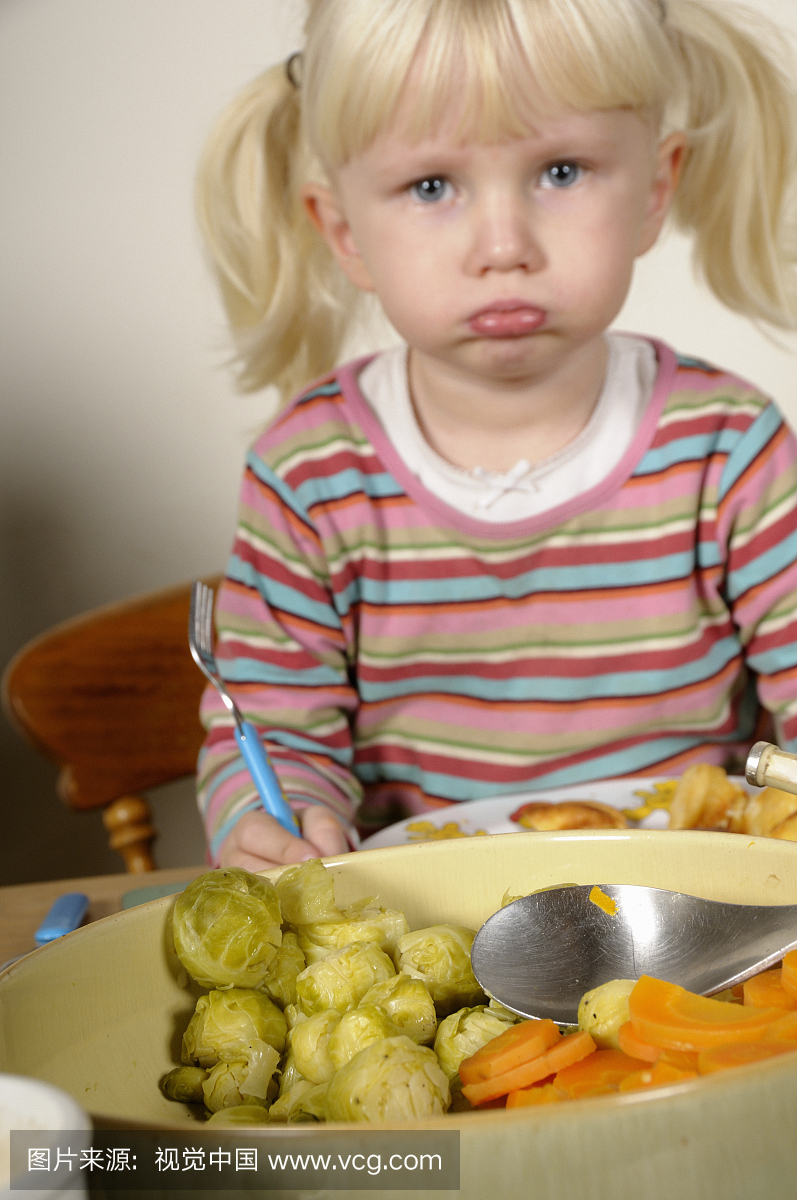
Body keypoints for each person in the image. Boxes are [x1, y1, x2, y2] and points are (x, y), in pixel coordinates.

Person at [195, 0, 797, 872]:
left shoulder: (729, 449)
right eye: (431, 186)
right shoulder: (309, 474)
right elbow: (277, 735)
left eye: (560, 170)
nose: (503, 245)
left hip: (694, 930)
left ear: (654, 190)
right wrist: (274, 819)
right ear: (343, 232)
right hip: (432, 939)